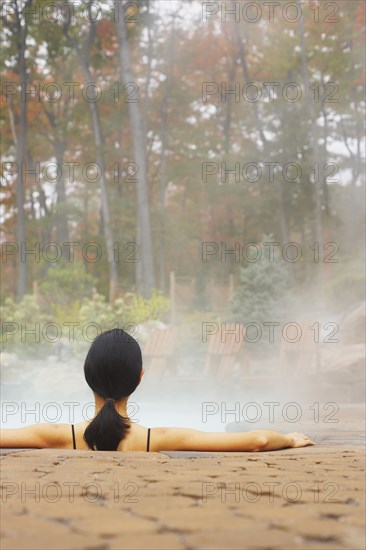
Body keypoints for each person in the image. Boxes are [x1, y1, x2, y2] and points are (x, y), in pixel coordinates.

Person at [0, 329, 315, 452]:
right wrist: (289, 439)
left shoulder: (57, 435)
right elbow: (258, 440)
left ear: (86, 376)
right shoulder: (157, 439)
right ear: (140, 378)